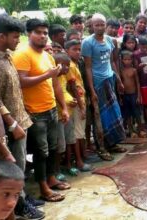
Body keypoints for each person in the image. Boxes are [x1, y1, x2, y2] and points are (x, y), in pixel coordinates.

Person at [0, 14, 45, 219]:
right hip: (8, 125)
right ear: (1, 36)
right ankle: (19, 207)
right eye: (15, 37)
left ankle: (22, 198)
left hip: (21, 118)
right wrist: (12, 124)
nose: (18, 41)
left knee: (20, 166)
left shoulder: (7, 55)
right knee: (12, 169)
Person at [12, 18, 69, 202]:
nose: (43, 36)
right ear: (29, 33)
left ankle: (51, 179)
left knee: (52, 148)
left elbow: (55, 84)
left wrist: (64, 107)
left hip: (51, 108)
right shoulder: (22, 54)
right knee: (41, 151)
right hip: (34, 112)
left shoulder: (47, 55)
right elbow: (21, 82)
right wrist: (47, 74)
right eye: (38, 32)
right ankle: (43, 187)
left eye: (45, 33)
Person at [81, 13, 126, 160]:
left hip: (110, 80)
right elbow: (87, 67)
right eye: (96, 25)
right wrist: (92, 90)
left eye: (102, 24)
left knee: (114, 114)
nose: (100, 27)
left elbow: (112, 62)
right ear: (92, 26)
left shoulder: (109, 40)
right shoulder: (87, 43)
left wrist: (118, 80)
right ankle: (101, 148)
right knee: (100, 118)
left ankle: (112, 144)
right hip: (97, 84)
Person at [64, 40, 91, 173]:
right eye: (74, 49)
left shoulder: (74, 64)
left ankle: (81, 159)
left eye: (79, 49)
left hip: (80, 100)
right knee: (77, 134)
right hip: (76, 102)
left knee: (79, 133)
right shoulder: (69, 65)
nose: (78, 52)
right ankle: (79, 161)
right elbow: (73, 87)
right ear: (67, 50)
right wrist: (80, 106)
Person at [120, 50, 142, 137]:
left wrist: (139, 96)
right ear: (122, 60)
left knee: (137, 113)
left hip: (134, 95)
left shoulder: (134, 70)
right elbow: (120, 84)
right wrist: (120, 97)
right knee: (127, 114)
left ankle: (140, 129)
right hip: (125, 95)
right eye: (125, 59)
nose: (127, 61)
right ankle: (131, 130)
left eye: (129, 59)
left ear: (132, 60)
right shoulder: (121, 71)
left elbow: (138, 83)